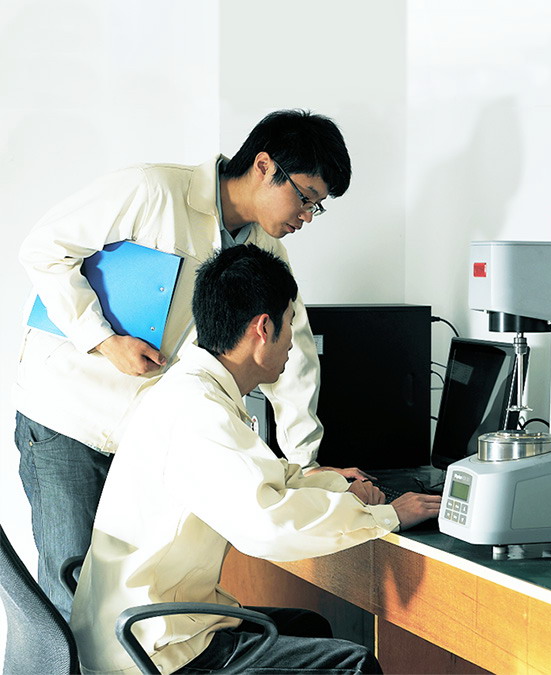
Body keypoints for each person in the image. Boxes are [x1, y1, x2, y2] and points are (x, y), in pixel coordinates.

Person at [15, 109, 371, 621]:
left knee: (124, 603)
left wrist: (304, 463)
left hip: (142, 439)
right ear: (265, 166)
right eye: (305, 197)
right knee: (67, 595)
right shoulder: (154, 191)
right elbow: (44, 249)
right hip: (69, 415)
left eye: (318, 206)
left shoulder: (265, 248)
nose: (308, 216)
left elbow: (292, 355)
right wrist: (104, 340)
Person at [70, 244, 441, 674]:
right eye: (290, 325)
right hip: (154, 650)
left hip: (139, 622)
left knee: (309, 627)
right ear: (263, 329)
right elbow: (269, 524)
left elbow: (261, 478)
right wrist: (388, 516)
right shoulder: (199, 412)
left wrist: (338, 485)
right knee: (351, 665)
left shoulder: (190, 389)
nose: (293, 345)